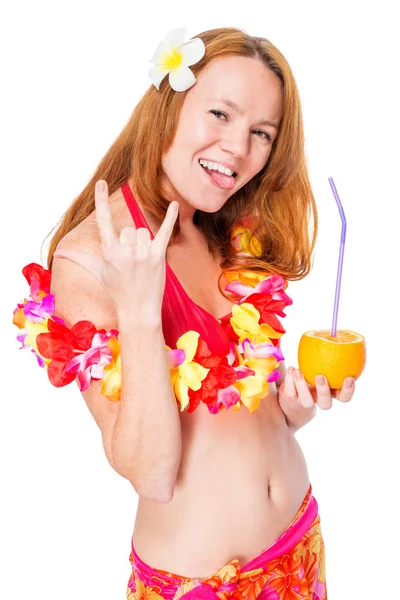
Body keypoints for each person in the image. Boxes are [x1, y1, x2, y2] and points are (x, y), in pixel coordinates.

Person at [13, 27, 356, 599]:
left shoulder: (223, 231)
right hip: (201, 586)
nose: (238, 148)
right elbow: (151, 472)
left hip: (299, 546)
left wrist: (289, 409)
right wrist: (141, 312)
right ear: (170, 104)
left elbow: (228, 414)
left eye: (261, 133)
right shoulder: (92, 258)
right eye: (220, 114)